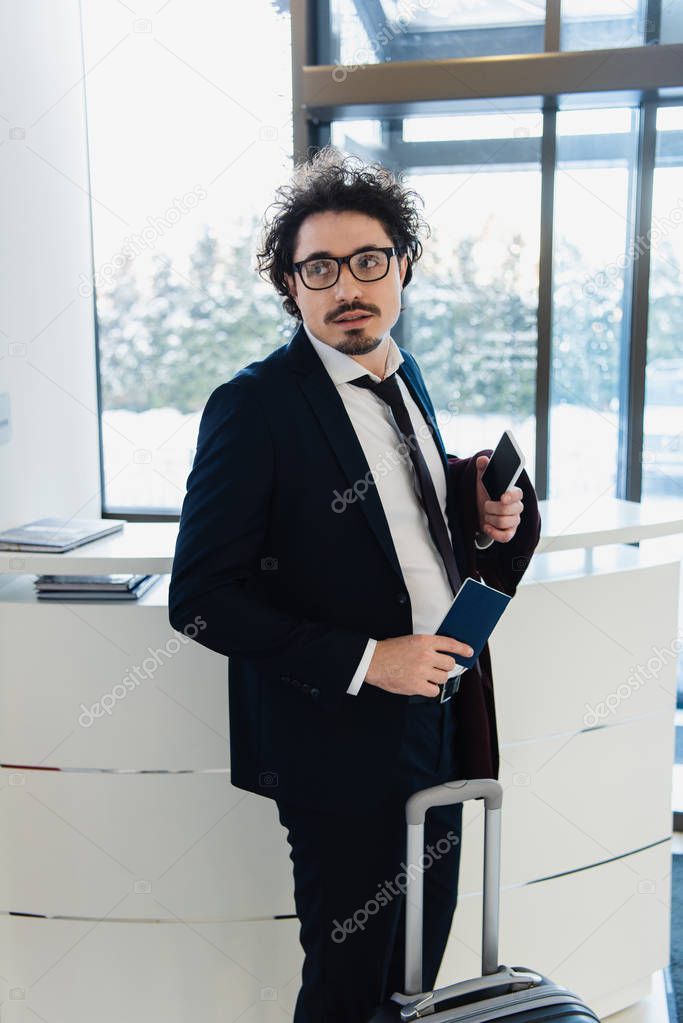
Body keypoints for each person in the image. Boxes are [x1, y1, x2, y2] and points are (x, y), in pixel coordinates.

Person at [168, 146, 541, 1022]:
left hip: (444, 722)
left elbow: (381, 516)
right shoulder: (254, 405)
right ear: (290, 286)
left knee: (417, 977)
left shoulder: (403, 374)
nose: (347, 287)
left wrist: (479, 504)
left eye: (368, 261)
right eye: (319, 269)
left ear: (403, 265)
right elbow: (201, 595)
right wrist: (368, 659)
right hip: (338, 746)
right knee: (347, 988)